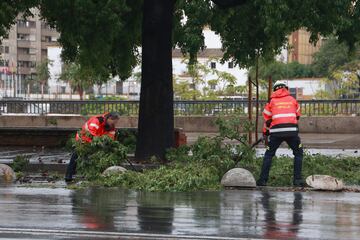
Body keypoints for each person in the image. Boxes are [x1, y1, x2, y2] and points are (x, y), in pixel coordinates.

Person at [257, 81, 305, 187]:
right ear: (285, 88)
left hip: (276, 133)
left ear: (274, 89)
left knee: (269, 155)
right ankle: (297, 180)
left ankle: (262, 181)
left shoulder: (271, 102)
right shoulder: (293, 100)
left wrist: (265, 133)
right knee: (298, 153)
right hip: (292, 132)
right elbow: (297, 116)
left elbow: (267, 121)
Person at [65, 112, 120, 182]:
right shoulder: (97, 120)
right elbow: (91, 133)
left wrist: (111, 145)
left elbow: (110, 139)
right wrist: (99, 142)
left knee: (94, 158)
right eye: (113, 123)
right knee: (76, 156)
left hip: (95, 143)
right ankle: (68, 175)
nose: (114, 125)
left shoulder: (111, 127)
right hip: (83, 140)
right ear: (109, 118)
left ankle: (91, 174)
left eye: (115, 124)